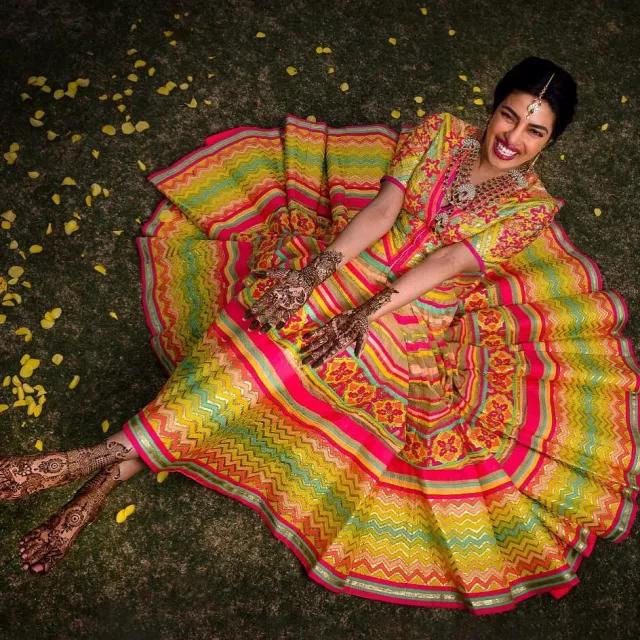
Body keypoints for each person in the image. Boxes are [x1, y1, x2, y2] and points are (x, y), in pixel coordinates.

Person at [2, 56, 638, 614]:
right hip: (356, 258)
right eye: (510, 115)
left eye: (535, 130)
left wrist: (357, 318)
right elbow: (385, 209)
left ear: (551, 142)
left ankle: (88, 465)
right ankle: (97, 478)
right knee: (259, 333)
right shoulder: (440, 133)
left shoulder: (530, 209)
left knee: (279, 366)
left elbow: (443, 266)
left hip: (411, 308)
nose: (513, 137)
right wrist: (312, 276)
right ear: (492, 106)